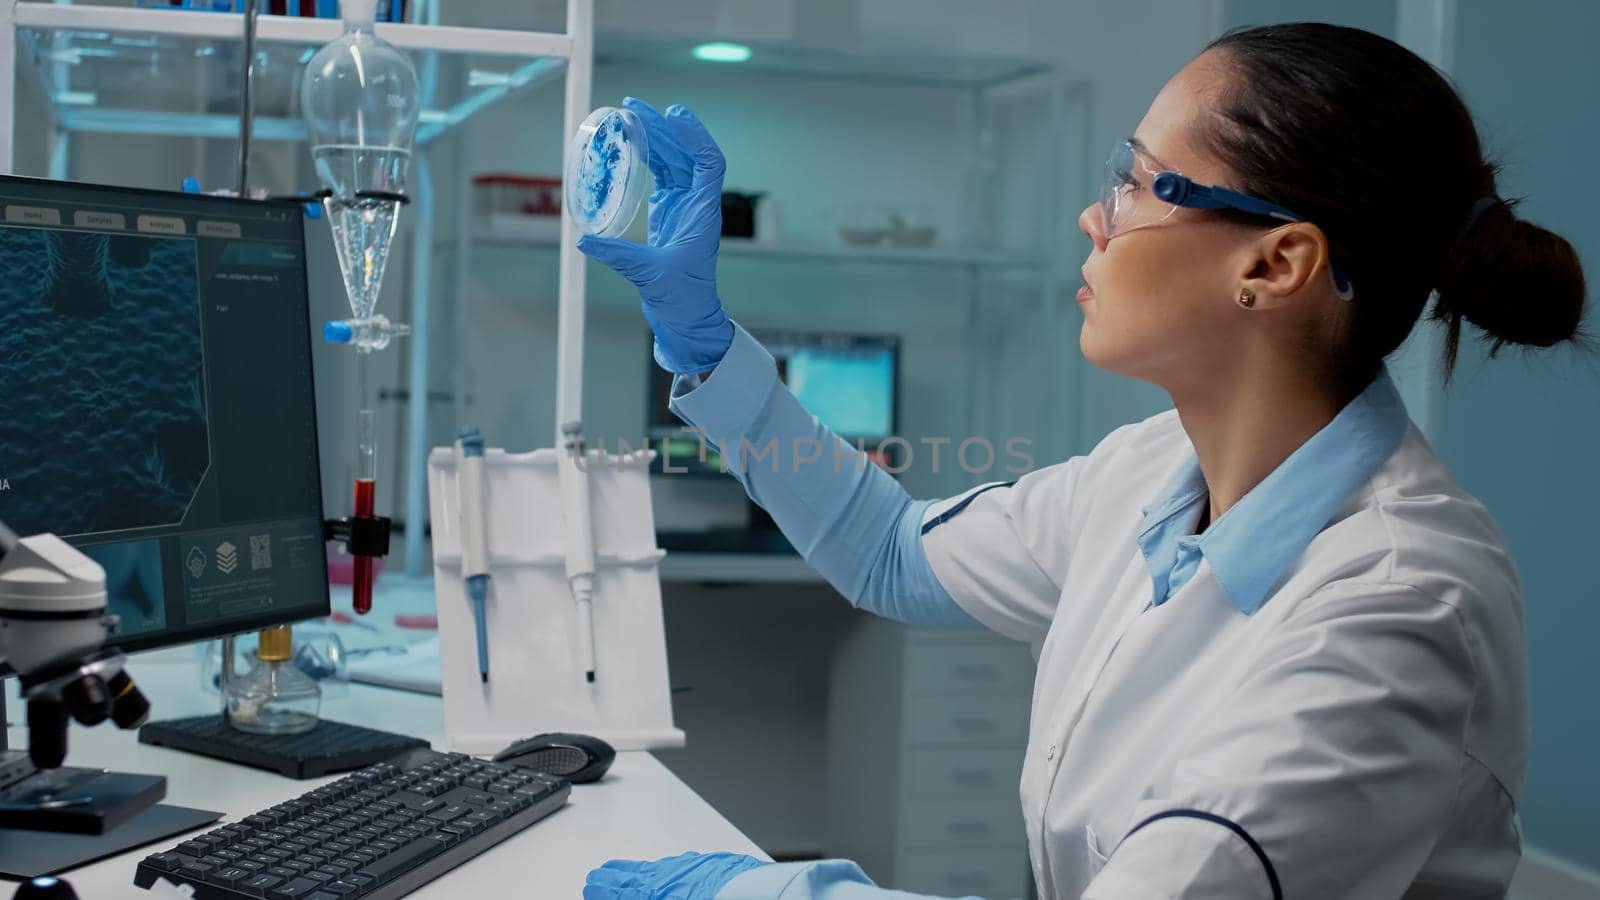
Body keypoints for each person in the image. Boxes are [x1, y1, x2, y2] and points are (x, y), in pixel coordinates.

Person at [577, 22, 1587, 900]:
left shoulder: (1394, 607)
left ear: (1274, 263)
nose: (1094, 217)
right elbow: (887, 550)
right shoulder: (1147, 475)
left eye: (1138, 184)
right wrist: (701, 341)